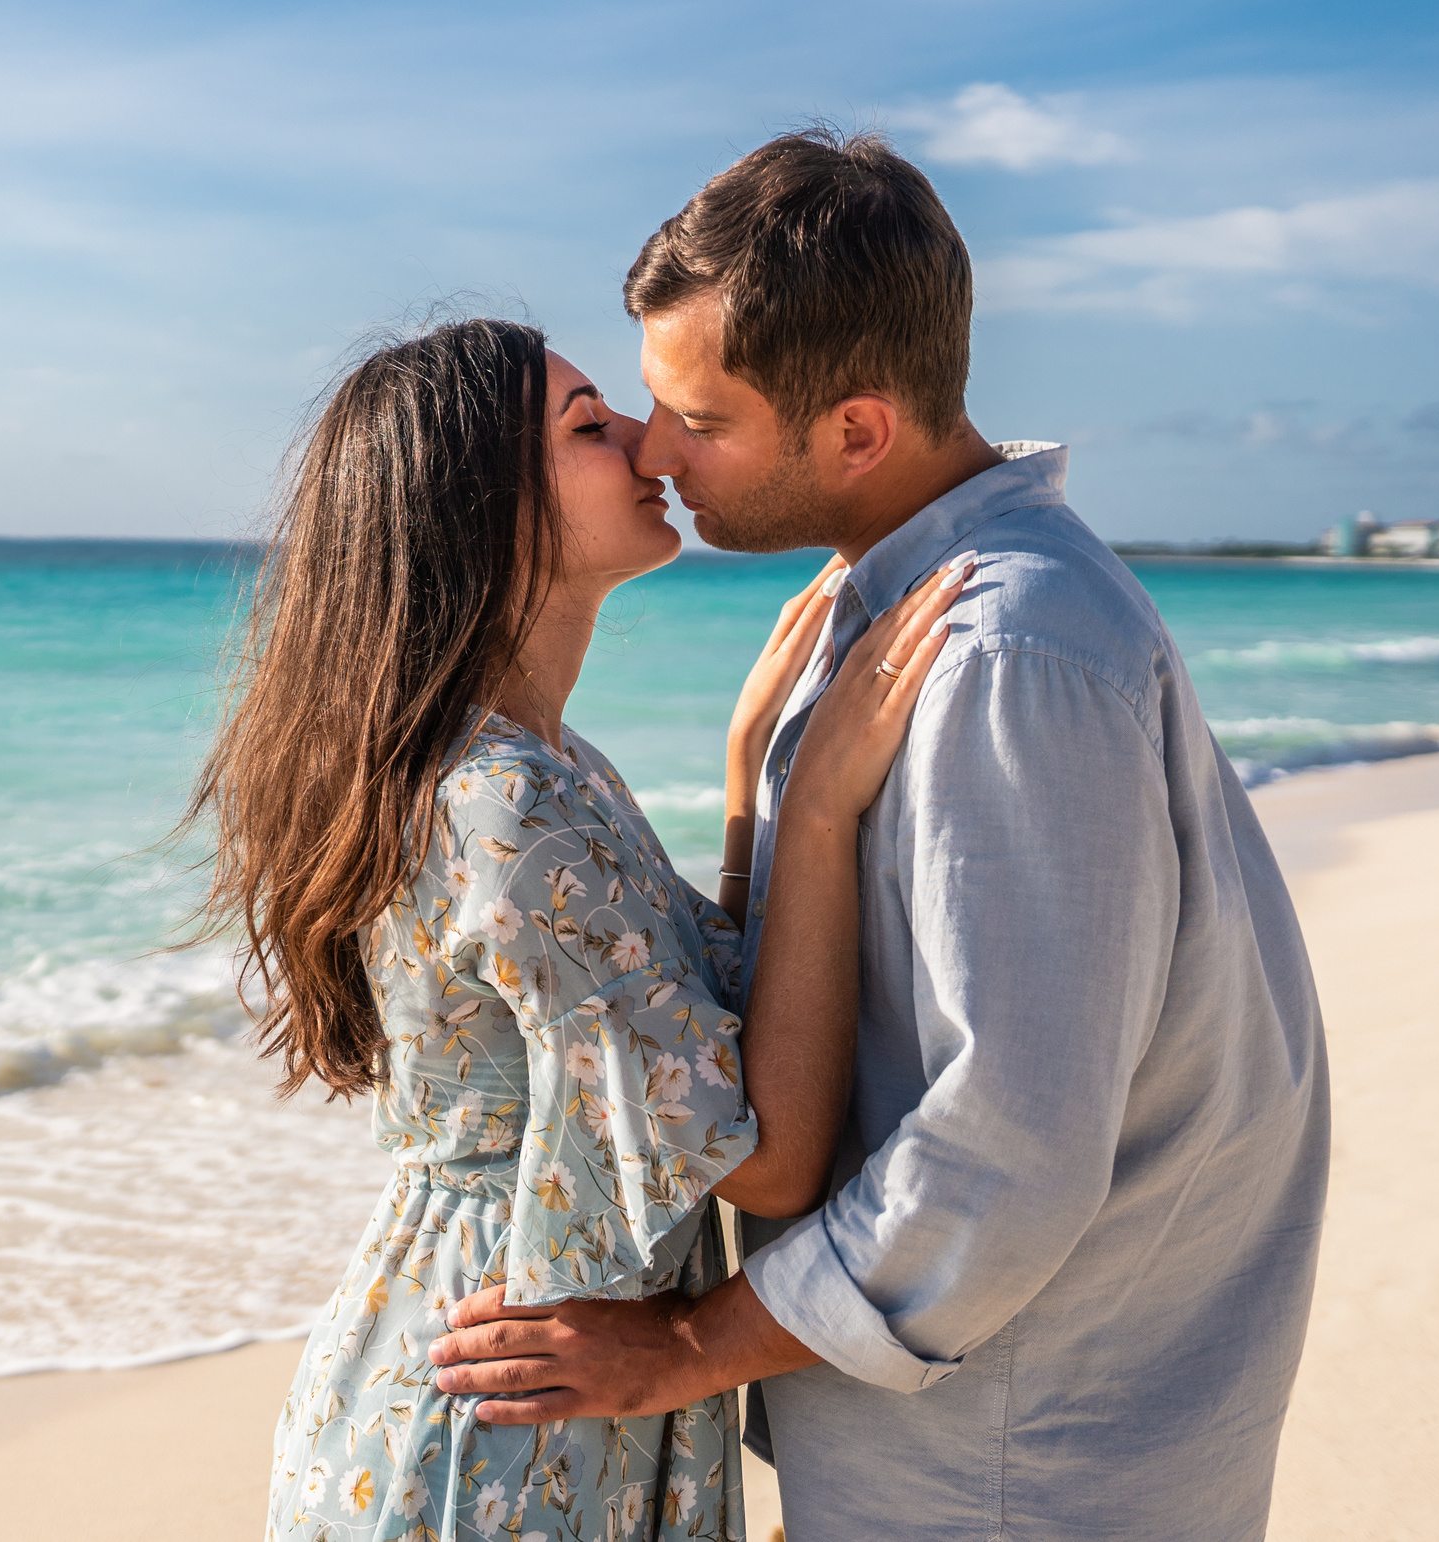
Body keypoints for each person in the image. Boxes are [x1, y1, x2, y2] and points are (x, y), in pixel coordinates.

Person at [426, 131, 1331, 1540]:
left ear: (856, 430)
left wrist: (685, 1349)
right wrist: (756, 781)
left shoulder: (1002, 652)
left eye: (701, 421)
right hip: (977, 1436)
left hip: (1023, 1466)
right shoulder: (896, 617)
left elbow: (1006, 1146)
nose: (658, 453)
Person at [182, 316, 970, 1540]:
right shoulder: (508, 800)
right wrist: (812, 814)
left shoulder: (537, 762)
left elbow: (710, 1019)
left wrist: (751, 777)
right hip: (506, 1409)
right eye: (591, 427)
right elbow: (763, 1157)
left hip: (523, 1360)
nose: (650, 445)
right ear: (484, 509)